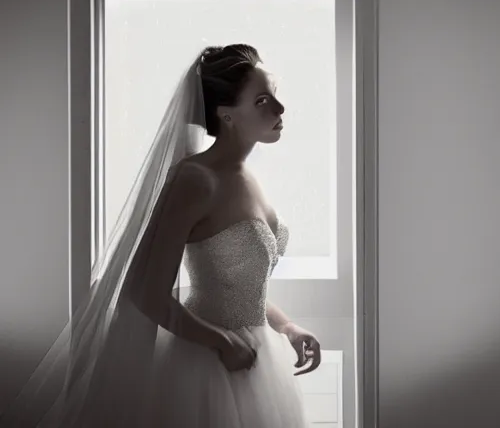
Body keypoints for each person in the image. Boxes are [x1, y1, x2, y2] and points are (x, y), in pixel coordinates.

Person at [0, 44, 321, 427]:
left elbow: (240, 289)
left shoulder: (251, 178)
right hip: (205, 367)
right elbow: (144, 292)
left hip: (257, 359)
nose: (280, 109)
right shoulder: (195, 180)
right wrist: (221, 342)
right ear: (227, 116)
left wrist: (287, 327)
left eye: (277, 94)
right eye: (263, 100)